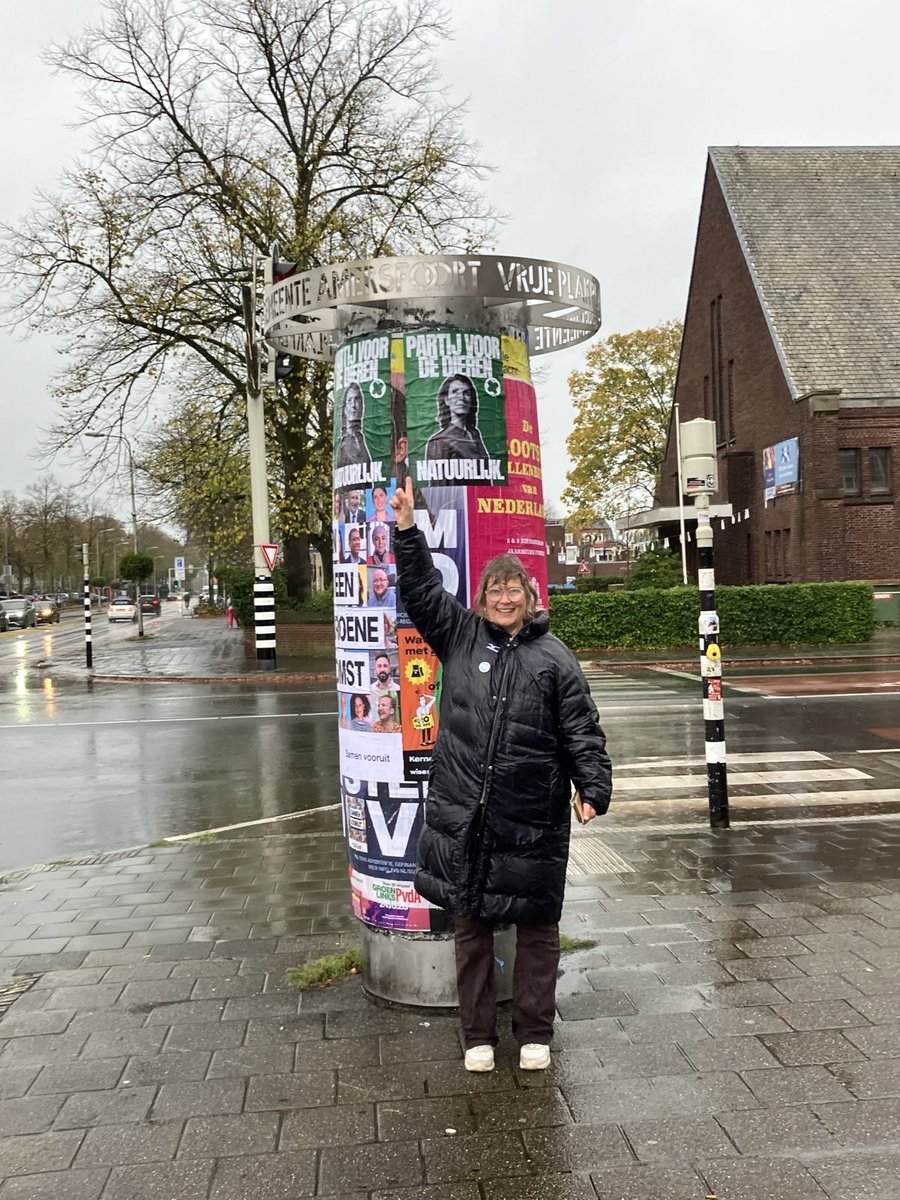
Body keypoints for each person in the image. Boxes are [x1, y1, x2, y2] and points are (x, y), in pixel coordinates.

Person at [391, 476, 612, 1074]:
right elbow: (420, 590)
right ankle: (477, 1036)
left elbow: (581, 729)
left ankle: (535, 1032)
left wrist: (592, 786)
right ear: (484, 595)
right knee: (472, 931)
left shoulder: (555, 657)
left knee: (539, 928)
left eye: (516, 589)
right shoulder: (460, 634)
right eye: (496, 588)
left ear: (532, 597)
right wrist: (408, 530)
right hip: (468, 814)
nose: (505, 598)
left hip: (533, 815)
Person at [424, 374, 491, 464]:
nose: (461, 397)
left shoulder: (475, 434)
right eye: (455, 392)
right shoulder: (438, 441)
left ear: (471, 400)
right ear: (446, 400)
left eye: (466, 393)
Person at [336, 383, 372, 469]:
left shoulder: (362, 438)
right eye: (349, 400)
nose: (353, 405)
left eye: (356, 400)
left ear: (362, 408)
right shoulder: (345, 444)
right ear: (344, 409)